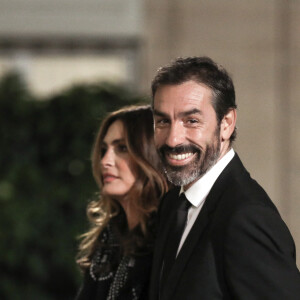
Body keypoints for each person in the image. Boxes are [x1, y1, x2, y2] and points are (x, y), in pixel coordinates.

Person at [149, 56, 300, 300]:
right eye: (163, 121)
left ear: (226, 124)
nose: (173, 139)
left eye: (192, 121)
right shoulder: (172, 205)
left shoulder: (246, 217)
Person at [75, 105, 168, 300]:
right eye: (103, 150)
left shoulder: (170, 236)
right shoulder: (109, 238)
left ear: (149, 155)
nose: (105, 161)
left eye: (122, 148)